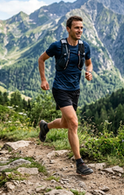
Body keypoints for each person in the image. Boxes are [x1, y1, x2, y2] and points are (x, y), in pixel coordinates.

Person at [38, 15, 93, 176]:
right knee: (74, 123)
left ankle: (45, 126)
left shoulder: (85, 47)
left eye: (81, 28)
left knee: (65, 123)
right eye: (76, 28)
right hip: (60, 89)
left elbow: (89, 63)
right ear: (68, 29)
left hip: (75, 90)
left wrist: (88, 72)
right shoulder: (58, 46)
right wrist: (43, 79)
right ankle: (79, 162)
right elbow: (41, 59)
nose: (80, 31)